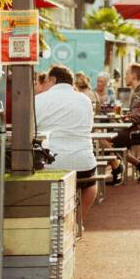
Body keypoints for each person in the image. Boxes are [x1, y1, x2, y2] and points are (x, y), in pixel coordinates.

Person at [35, 65, 99, 217]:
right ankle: (77, 221)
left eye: (45, 81)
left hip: (51, 163)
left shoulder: (38, 100)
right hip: (83, 163)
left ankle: (55, 222)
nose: (44, 85)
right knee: (90, 185)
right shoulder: (85, 100)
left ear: (53, 80)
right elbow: (88, 127)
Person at [103, 63, 140, 184]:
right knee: (110, 139)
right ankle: (139, 164)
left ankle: (117, 169)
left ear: (134, 76)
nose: (125, 77)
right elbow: (137, 115)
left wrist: (120, 119)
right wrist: (122, 118)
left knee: (102, 139)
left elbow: (134, 119)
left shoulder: (139, 93)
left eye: (127, 74)